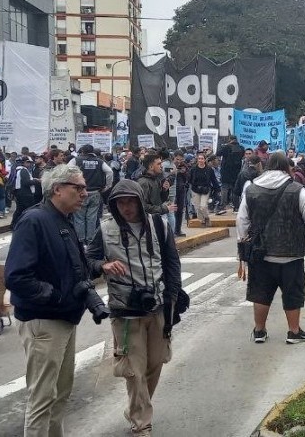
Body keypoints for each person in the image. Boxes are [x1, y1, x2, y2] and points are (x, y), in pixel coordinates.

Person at [5, 165, 96, 437]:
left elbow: (73, 265)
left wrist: (99, 267)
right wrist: (55, 297)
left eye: (84, 188)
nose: (85, 194)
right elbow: (16, 276)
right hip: (44, 321)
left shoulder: (62, 219)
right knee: (42, 398)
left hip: (64, 318)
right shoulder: (35, 220)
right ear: (57, 189)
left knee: (61, 393)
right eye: (78, 188)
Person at [87, 180, 182, 437]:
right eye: (121, 202)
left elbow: (172, 262)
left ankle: (136, 408)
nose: (126, 207)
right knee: (134, 370)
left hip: (158, 306)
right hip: (125, 311)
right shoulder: (105, 230)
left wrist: (173, 297)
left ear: (140, 200)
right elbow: (88, 260)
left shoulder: (159, 226)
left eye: (130, 201)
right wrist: (102, 266)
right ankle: (142, 423)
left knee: (155, 363)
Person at [236, 152, 305, 344]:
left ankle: (259, 331)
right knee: (292, 293)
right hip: (291, 255)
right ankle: (293, 332)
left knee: (260, 293)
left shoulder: (251, 189)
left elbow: (241, 220)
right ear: (287, 168)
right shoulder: (297, 189)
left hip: (260, 254)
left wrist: (243, 245)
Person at [69, 145, 113, 243]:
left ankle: (80, 240)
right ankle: (90, 240)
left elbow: (67, 171)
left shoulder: (76, 160)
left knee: (79, 217)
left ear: (82, 151)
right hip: (95, 192)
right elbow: (110, 172)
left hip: (80, 192)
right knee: (92, 217)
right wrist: (107, 186)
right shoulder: (100, 161)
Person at [137, 153, 174, 220]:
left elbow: (159, 200)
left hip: (156, 218)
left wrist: (164, 190)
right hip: (149, 220)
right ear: (151, 167)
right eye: (159, 164)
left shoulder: (156, 179)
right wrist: (164, 209)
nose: (161, 166)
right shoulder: (143, 183)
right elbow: (143, 206)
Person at [11, 157, 41, 229]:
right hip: (25, 194)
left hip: (20, 193)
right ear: (23, 162)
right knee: (27, 210)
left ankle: (14, 224)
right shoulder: (23, 170)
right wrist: (37, 181)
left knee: (20, 210)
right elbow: (26, 182)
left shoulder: (18, 170)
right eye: (28, 162)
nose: (29, 164)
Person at [189, 153, 216, 226]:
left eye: (202, 159)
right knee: (197, 207)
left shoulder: (209, 169)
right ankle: (202, 220)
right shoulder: (193, 169)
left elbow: (213, 180)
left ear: (205, 160)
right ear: (197, 160)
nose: (200, 160)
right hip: (195, 189)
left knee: (203, 206)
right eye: (199, 159)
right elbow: (189, 179)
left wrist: (217, 189)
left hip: (205, 189)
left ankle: (206, 217)